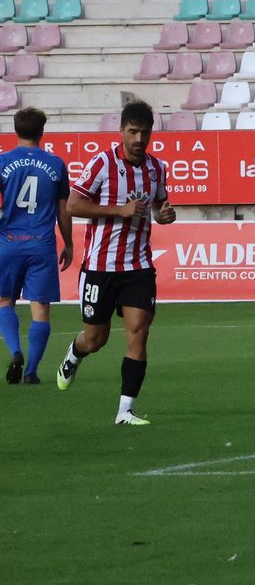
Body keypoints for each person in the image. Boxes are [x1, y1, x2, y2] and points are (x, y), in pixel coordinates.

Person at [56, 101, 176, 426]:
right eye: (133, 131)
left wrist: (165, 215)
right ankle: (75, 353)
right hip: (100, 267)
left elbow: (159, 206)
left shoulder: (157, 168)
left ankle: (125, 411)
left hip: (138, 266)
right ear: (121, 130)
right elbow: (73, 206)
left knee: (139, 331)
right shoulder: (102, 164)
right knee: (96, 339)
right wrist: (119, 210)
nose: (139, 139)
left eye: (145, 132)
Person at [0, 107, 72, 386]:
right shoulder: (56, 164)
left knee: (5, 301)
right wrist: (69, 243)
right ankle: (31, 371)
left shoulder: (3, 162)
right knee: (40, 308)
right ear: (42, 132)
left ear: (16, 130)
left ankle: (14, 351)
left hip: (9, 242)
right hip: (42, 244)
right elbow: (63, 210)